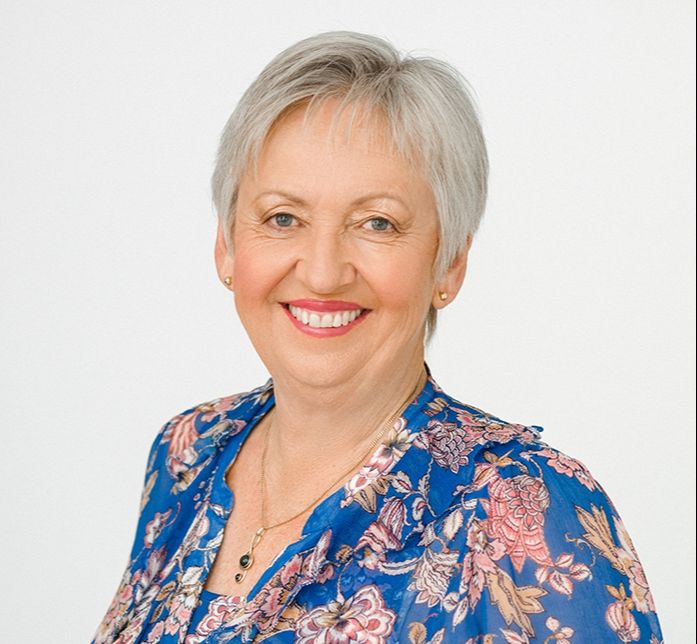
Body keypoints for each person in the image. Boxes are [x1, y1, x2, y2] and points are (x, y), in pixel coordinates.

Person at [93, 31, 663, 643]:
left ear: (448, 264)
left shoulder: (522, 508)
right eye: (283, 217)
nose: (322, 272)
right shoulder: (187, 453)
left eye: (377, 223)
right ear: (227, 246)